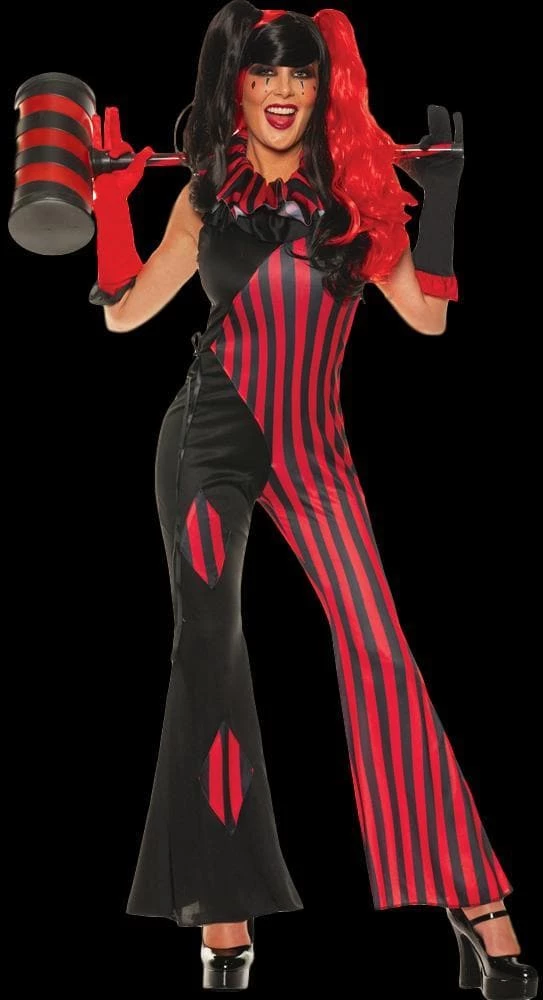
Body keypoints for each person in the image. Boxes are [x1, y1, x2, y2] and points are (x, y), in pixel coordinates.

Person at [88, 4, 538, 995]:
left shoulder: (357, 195)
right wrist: (110, 204)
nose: (282, 90)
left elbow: (426, 320)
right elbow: (123, 314)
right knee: (208, 643)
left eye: (299, 73)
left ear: (321, 88)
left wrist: (443, 200)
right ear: (238, 86)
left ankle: (473, 899)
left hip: (315, 453)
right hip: (206, 440)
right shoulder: (204, 193)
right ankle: (222, 913)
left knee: (378, 644)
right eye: (264, 73)